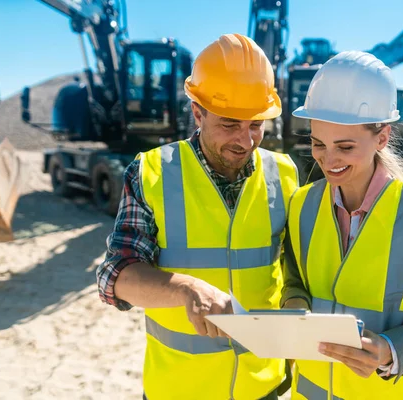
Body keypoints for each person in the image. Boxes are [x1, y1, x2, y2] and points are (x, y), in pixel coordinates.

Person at [96, 33, 299, 400]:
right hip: (179, 389)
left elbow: (298, 273)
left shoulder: (285, 175)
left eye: (256, 124)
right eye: (229, 124)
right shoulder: (152, 172)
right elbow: (115, 277)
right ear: (197, 112)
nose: (245, 140)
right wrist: (186, 289)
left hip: (263, 386)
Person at [281, 51, 403, 399]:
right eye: (318, 144)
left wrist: (389, 350)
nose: (328, 160)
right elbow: (293, 281)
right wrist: (293, 308)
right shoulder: (301, 205)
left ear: (382, 137)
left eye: (345, 147)